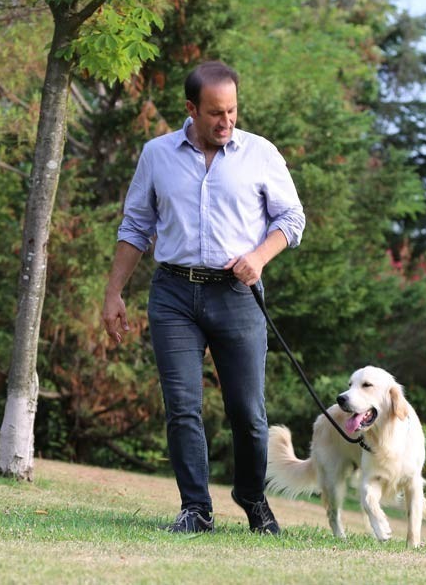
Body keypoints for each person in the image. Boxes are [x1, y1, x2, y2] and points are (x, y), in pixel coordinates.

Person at [102, 61, 305, 534]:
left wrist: (259, 256)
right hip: (173, 293)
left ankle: (253, 498)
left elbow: (291, 220)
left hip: (237, 293)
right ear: (191, 109)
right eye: (215, 113)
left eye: (232, 111)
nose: (226, 122)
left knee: (248, 412)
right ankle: (195, 508)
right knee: (182, 406)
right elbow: (135, 226)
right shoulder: (157, 155)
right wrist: (114, 292)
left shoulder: (260, 154)